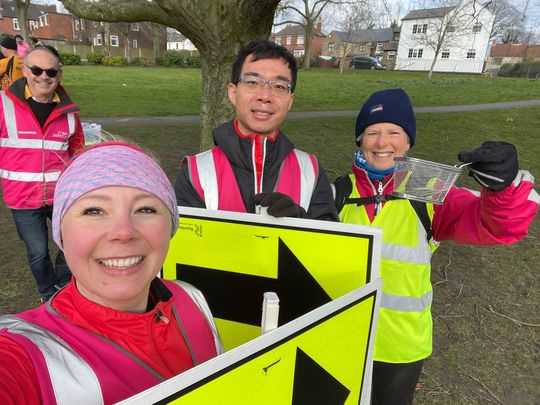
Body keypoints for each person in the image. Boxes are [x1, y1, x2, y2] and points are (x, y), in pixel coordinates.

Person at [333, 88, 539, 405]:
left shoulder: (426, 190)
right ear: (359, 140)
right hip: (340, 337)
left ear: (408, 142)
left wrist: (502, 190)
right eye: (372, 132)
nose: (382, 142)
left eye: (394, 132)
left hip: (401, 347)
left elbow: (497, 225)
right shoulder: (337, 192)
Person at [0, 142, 223, 404]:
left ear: (171, 225)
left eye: (146, 209)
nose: (123, 232)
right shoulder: (24, 354)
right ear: (61, 232)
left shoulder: (190, 298)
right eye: (93, 210)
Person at [175, 39, 337, 220]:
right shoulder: (195, 173)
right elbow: (184, 245)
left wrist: (300, 220)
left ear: (290, 101)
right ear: (233, 92)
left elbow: (330, 245)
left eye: (279, 86)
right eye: (252, 82)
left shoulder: (311, 171)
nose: (265, 96)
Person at [0, 47, 84, 301]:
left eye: (50, 71)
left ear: (59, 74)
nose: (43, 76)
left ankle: (65, 285)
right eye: (36, 70)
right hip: (22, 199)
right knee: (37, 252)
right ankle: (48, 293)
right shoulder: (3, 106)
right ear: (24, 71)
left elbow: (77, 149)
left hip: (62, 197)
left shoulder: (69, 111)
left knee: (71, 246)